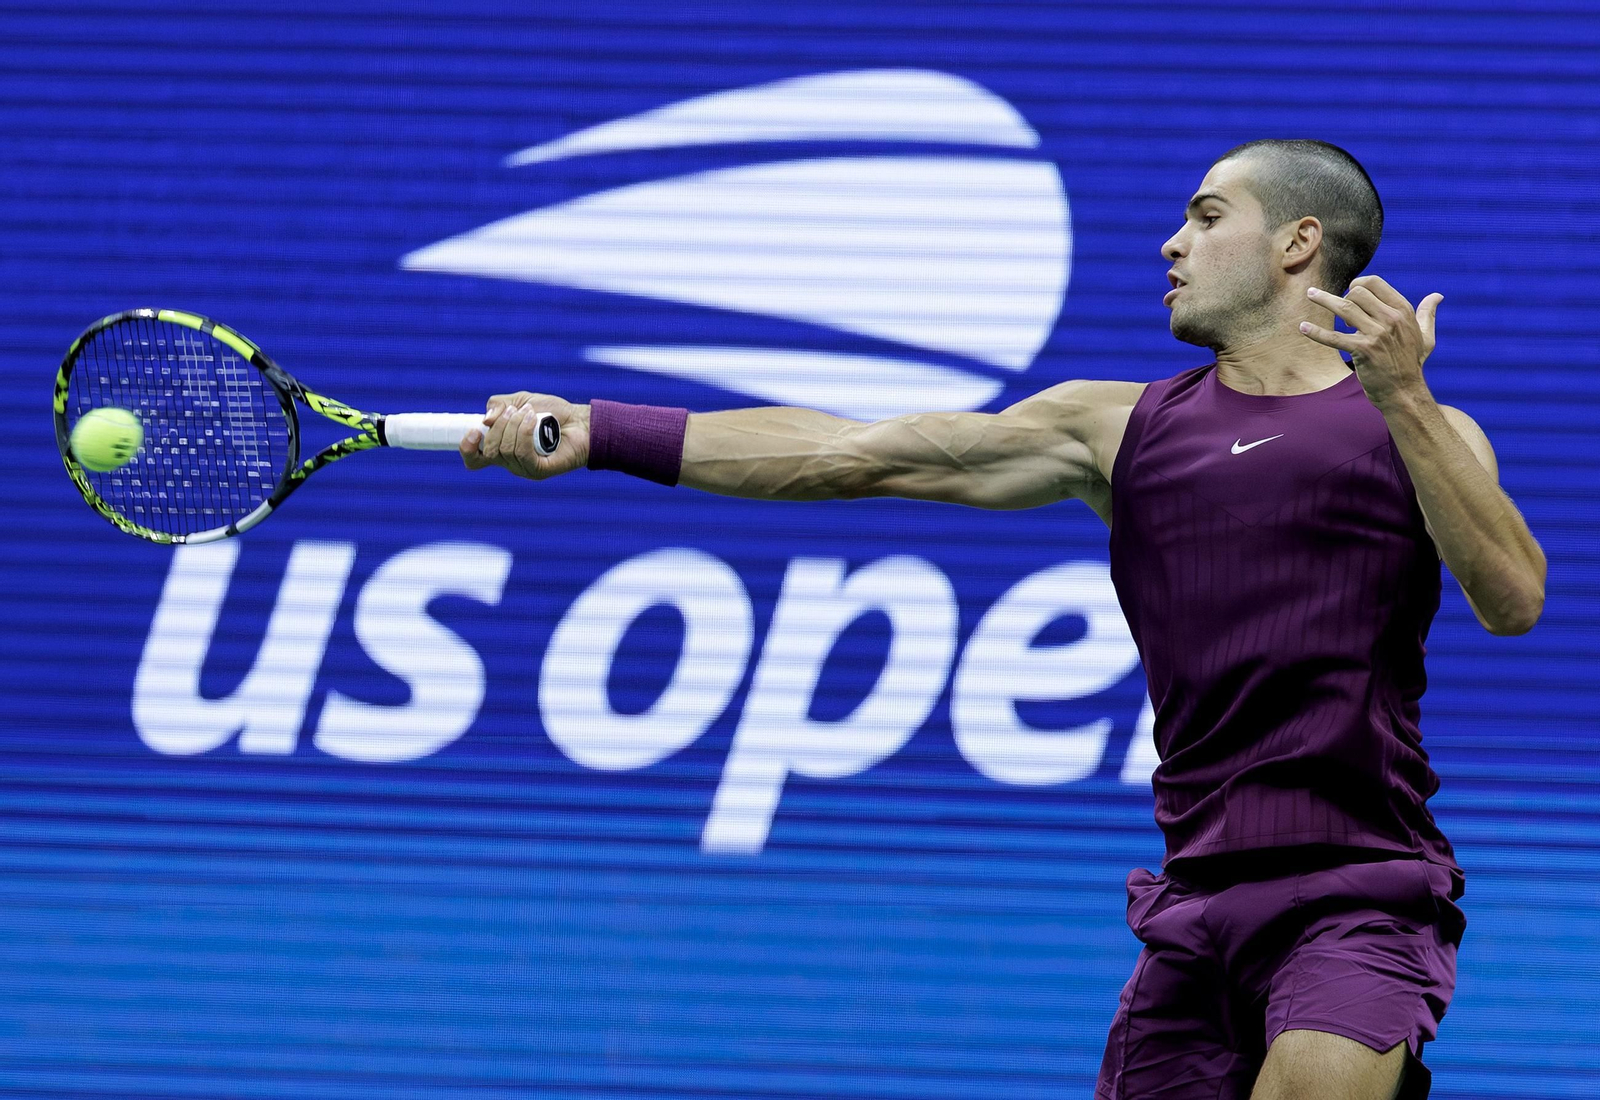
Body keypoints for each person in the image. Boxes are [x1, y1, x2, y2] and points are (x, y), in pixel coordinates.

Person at [460, 139, 1546, 1099]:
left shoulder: (1420, 428)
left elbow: (1512, 599)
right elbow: (853, 454)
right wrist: (601, 428)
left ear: (1299, 241)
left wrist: (1402, 396)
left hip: (1358, 891)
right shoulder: (1112, 426)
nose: (1172, 242)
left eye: (1207, 216)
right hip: (1194, 899)